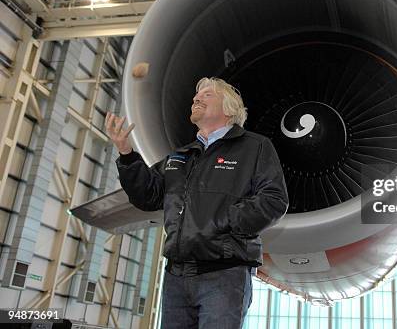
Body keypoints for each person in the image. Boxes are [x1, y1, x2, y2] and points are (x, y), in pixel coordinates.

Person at [105, 77, 289, 329]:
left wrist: (222, 223)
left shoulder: (254, 147)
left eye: (207, 94)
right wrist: (126, 154)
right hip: (176, 276)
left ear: (229, 108)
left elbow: (273, 200)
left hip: (224, 274)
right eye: (196, 95)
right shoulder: (181, 155)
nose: (196, 98)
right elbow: (147, 196)